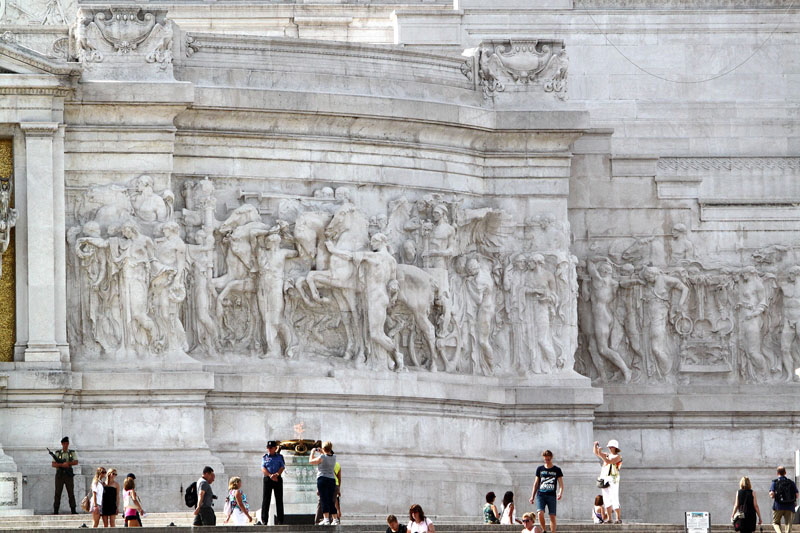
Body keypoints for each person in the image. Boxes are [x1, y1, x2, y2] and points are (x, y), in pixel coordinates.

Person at [528, 450, 564, 533]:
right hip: (541, 494)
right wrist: (532, 496)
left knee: (552, 516)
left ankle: (553, 532)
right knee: (540, 513)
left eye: (548, 459)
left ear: (551, 458)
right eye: (545, 459)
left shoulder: (557, 469)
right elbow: (536, 483)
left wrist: (560, 493)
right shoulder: (540, 469)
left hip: (551, 494)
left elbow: (561, 484)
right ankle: (544, 530)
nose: (547, 461)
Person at [593, 440, 622, 524]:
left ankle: (618, 518)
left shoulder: (618, 456)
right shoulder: (608, 455)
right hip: (605, 480)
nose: (610, 448)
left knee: (614, 499)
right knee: (606, 499)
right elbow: (596, 453)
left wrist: (601, 454)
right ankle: (609, 518)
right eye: (609, 447)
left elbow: (609, 461)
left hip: (613, 480)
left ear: (615, 447)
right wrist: (596, 446)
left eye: (611, 447)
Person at [309, 442, 337, 525]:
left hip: (322, 479)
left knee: (324, 499)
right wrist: (323, 451)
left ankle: (326, 519)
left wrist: (312, 452)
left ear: (323, 448)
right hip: (332, 479)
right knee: (331, 500)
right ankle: (335, 519)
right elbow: (327, 456)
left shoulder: (322, 457)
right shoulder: (334, 457)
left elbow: (311, 461)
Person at [52, 436, 79, 514]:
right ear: (62, 444)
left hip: (68, 475)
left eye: (67, 443)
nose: (65, 445)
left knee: (71, 492)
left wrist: (68, 463)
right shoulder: (57, 453)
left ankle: (73, 509)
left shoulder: (71, 452)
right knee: (57, 492)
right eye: (64, 443)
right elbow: (53, 464)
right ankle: (56, 510)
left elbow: (76, 462)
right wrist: (61, 465)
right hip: (60, 475)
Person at [261, 440, 285, 525]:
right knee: (266, 499)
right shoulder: (265, 457)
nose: (269, 449)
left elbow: (282, 466)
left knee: (279, 499)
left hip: (277, 478)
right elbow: (263, 468)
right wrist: (270, 475)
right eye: (268, 448)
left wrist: (277, 474)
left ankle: (280, 520)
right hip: (268, 478)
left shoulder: (280, 457)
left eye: (271, 448)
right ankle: (264, 520)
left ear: (275, 448)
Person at [769, 466, 798, 533]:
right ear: (785, 473)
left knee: (775, 522)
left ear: (777, 473)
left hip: (778, 506)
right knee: (788, 525)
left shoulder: (775, 482)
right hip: (790, 506)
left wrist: (772, 495)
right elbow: (797, 495)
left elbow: (772, 494)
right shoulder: (791, 482)